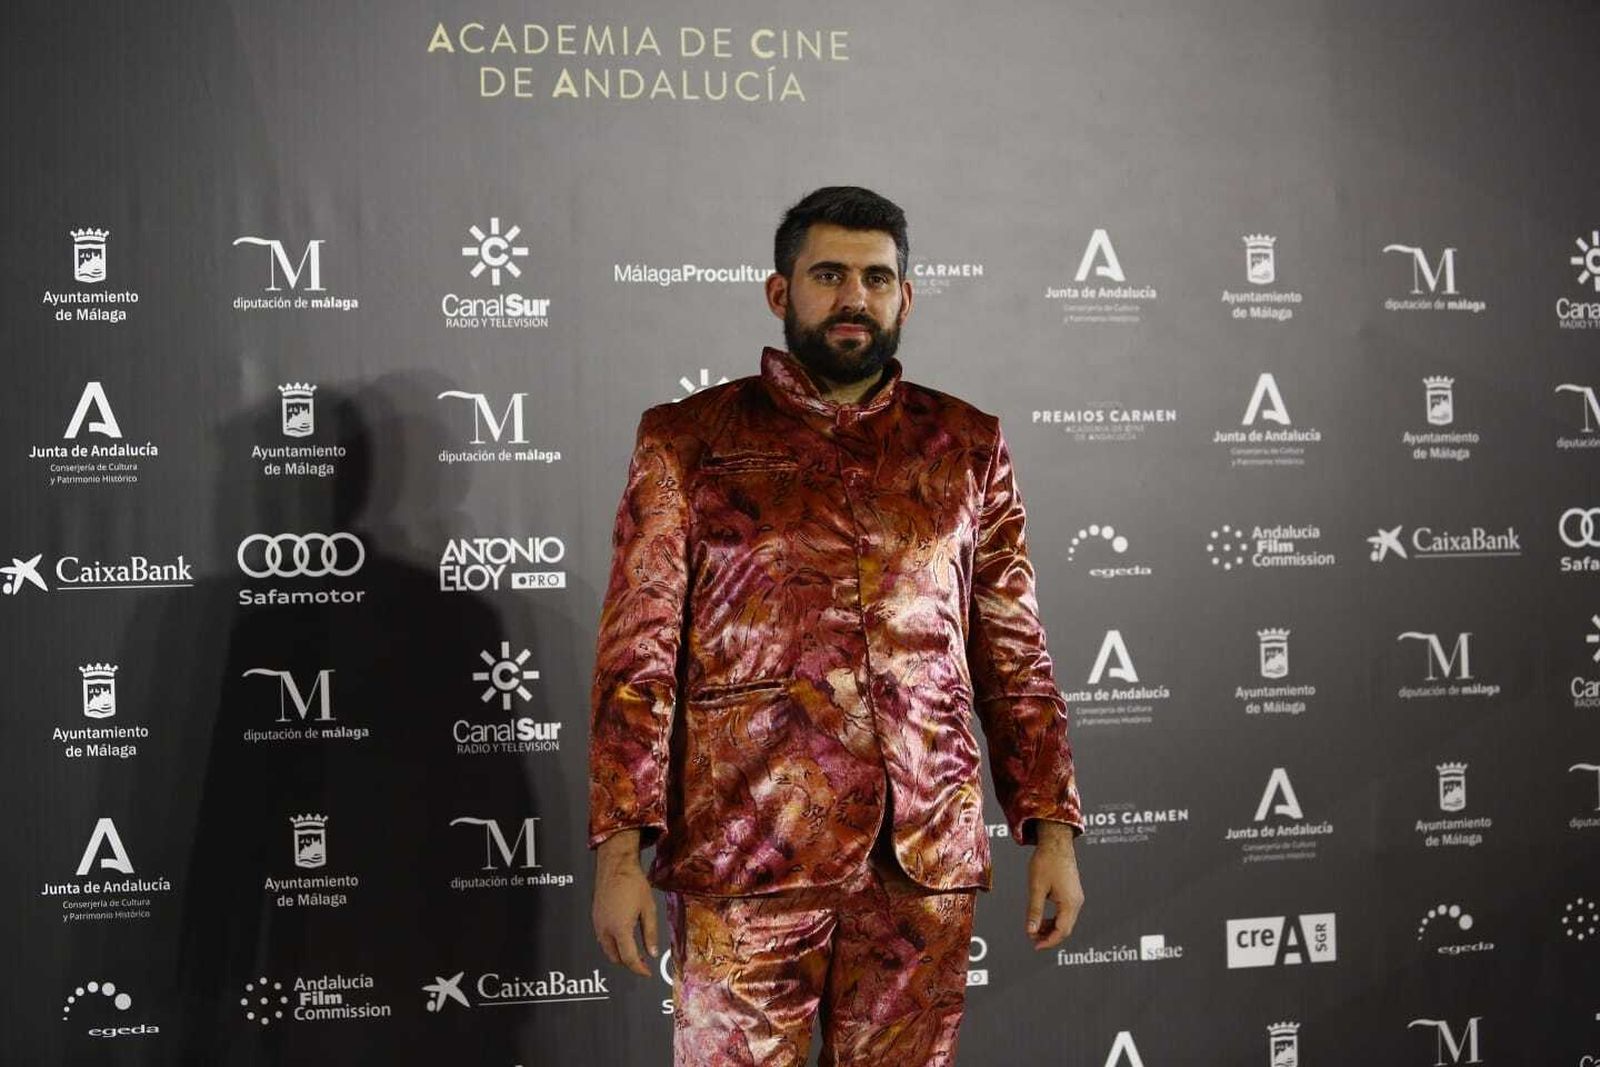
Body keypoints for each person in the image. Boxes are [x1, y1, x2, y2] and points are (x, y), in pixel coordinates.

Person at [588, 186, 1084, 1067]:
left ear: (905, 296)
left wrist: (1051, 830)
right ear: (780, 292)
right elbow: (638, 658)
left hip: (922, 858)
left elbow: (1014, 656)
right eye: (829, 275)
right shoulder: (686, 440)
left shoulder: (967, 445)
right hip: (745, 851)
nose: (854, 297)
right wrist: (619, 853)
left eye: (876, 278)